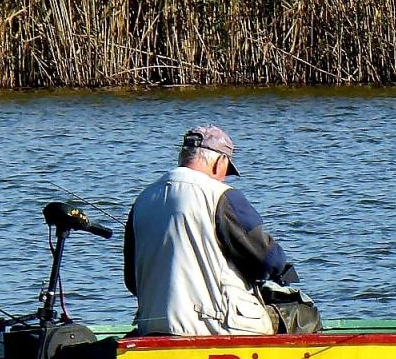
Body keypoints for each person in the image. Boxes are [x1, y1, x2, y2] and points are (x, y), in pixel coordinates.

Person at [124, 124, 305, 336]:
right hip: (216, 326)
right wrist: (284, 273)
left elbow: (132, 281)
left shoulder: (142, 200)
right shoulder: (221, 195)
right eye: (226, 170)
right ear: (220, 162)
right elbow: (268, 259)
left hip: (152, 327)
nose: (224, 177)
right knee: (302, 314)